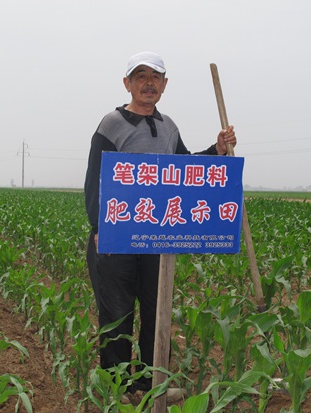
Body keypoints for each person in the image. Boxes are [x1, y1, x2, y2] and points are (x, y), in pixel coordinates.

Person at [84, 51, 236, 395]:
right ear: (127, 84)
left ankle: (152, 383)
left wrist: (217, 149)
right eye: (140, 77)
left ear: (165, 85)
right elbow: (96, 180)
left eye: (155, 77)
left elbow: (186, 170)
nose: (148, 83)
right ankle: (118, 386)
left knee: (157, 312)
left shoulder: (169, 127)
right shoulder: (111, 124)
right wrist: (99, 228)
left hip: (157, 238)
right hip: (117, 237)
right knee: (118, 315)